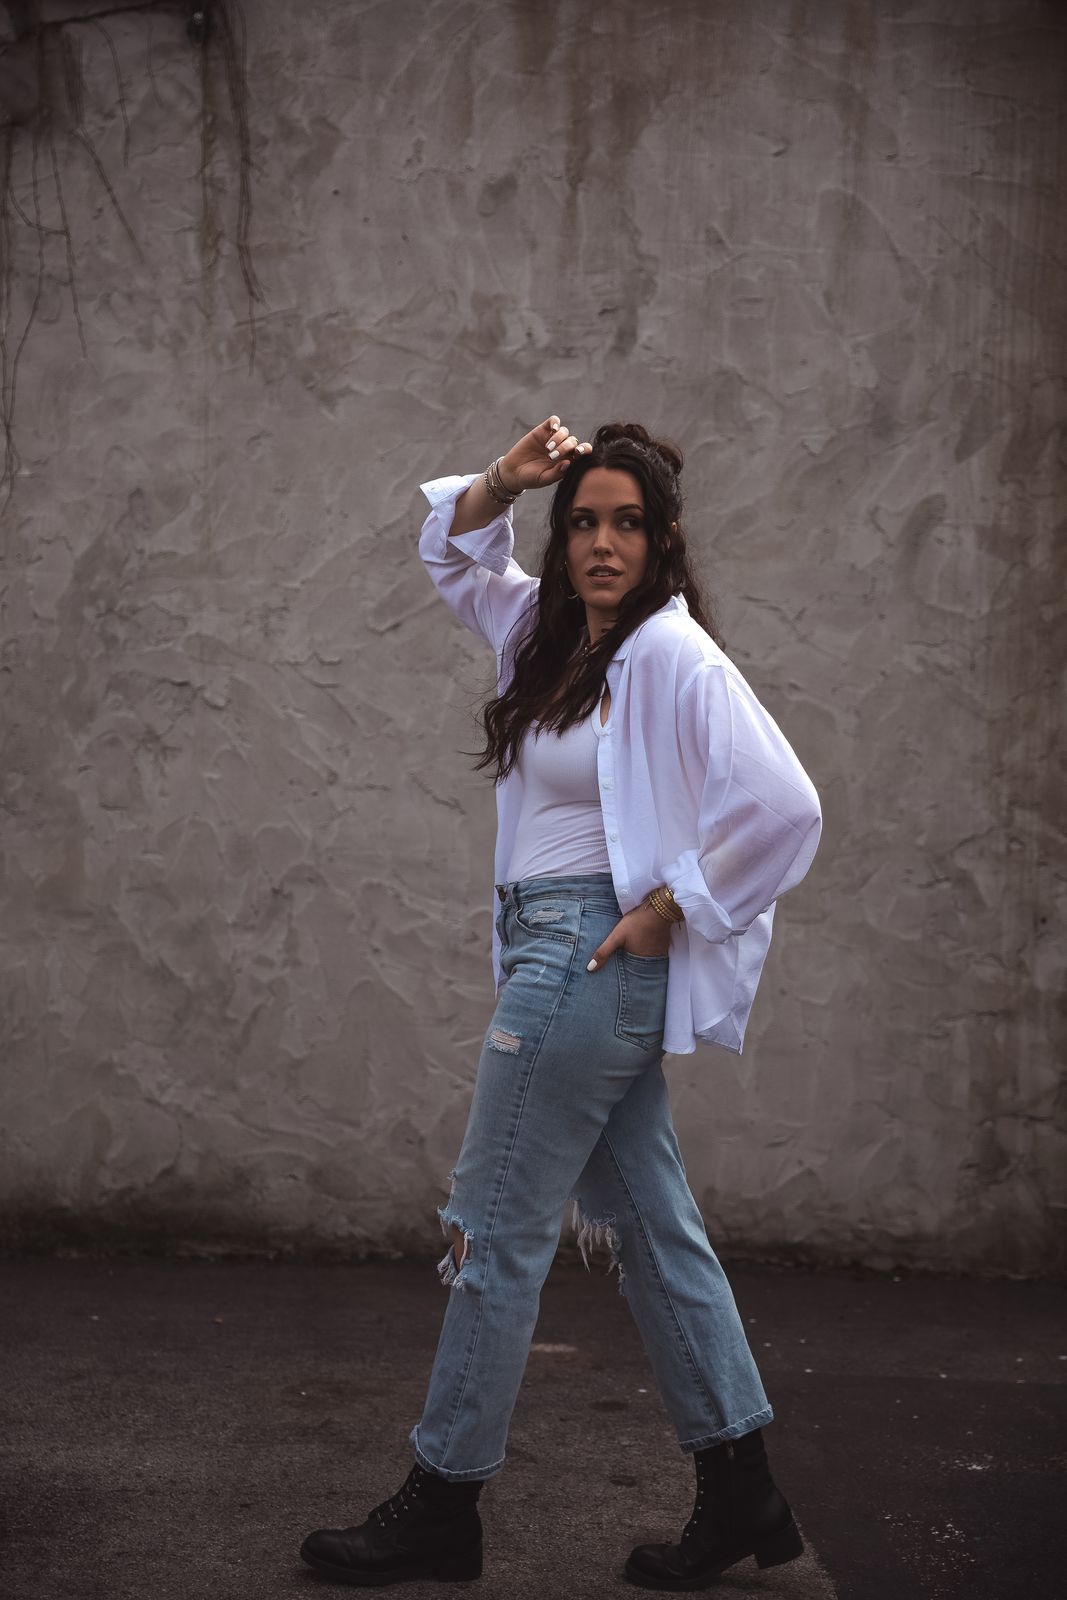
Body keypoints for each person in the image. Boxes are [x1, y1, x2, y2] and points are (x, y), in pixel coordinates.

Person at [300, 415, 822, 1589]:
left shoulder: (673, 654)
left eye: (625, 524)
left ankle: (442, 1500)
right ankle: (741, 1484)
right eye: (581, 521)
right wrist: (502, 478)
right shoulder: (546, 634)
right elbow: (450, 557)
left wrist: (671, 904)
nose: (600, 543)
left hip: (583, 958)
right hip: (552, 951)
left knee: (488, 1227)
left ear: (662, 539)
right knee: (652, 1228)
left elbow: (787, 805)